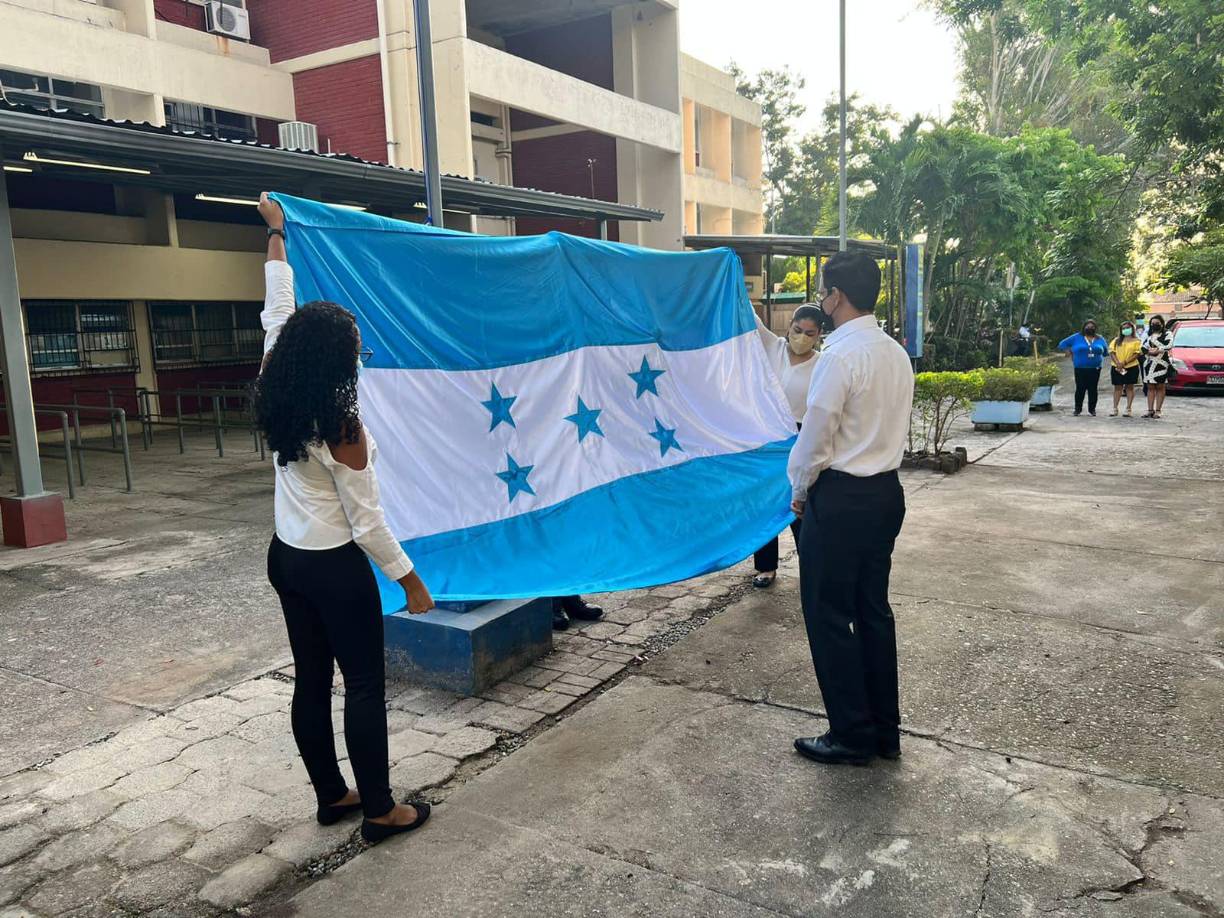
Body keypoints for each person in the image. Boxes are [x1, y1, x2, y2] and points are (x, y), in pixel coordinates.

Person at [254, 193, 433, 845]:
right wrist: (409, 580)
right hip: (334, 568)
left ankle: (334, 796)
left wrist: (278, 235)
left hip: (287, 560)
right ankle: (381, 810)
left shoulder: (278, 375)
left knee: (310, 678)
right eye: (354, 345)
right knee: (361, 683)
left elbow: (278, 304)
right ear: (335, 361)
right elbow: (368, 525)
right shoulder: (342, 427)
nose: (360, 351)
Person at [786, 252, 914, 766]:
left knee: (829, 615)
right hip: (885, 494)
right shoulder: (893, 352)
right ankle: (884, 730)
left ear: (835, 296)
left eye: (823, 291)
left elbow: (816, 437)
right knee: (872, 611)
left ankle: (850, 734)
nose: (821, 299)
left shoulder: (838, 357)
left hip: (840, 499)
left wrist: (799, 490)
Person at [750, 305, 823, 589]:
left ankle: (812, 568)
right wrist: (729, 266)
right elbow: (751, 319)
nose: (801, 337)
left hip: (802, 435)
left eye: (809, 333)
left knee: (800, 504)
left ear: (818, 335)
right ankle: (766, 567)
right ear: (788, 326)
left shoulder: (822, 364)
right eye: (797, 330)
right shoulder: (774, 347)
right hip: (768, 435)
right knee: (767, 503)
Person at [1058, 320, 1109, 416]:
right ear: (1084, 327)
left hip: (1095, 368)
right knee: (1080, 388)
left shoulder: (1100, 338)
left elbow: (1105, 352)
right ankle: (1078, 409)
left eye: (1092, 327)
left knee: (1093, 389)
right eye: (1088, 326)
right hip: (1080, 368)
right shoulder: (1077, 337)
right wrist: (1069, 351)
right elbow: (1062, 344)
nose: (1090, 328)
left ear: (1095, 328)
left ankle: (1092, 409)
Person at [1107, 319, 1142, 417]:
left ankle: (1128, 408)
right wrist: (1118, 363)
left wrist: (1125, 362)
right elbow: (1112, 352)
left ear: (1132, 329)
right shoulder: (1116, 340)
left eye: (1128, 328)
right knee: (1117, 387)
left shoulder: (1137, 341)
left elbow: (1137, 354)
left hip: (1131, 367)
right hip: (1117, 367)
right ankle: (1115, 408)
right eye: (1124, 328)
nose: (1126, 330)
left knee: (1129, 387)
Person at [1142, 315, 1173, 419]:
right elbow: (1142, 346)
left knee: (1160, 386)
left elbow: (1169, 345)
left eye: (1156, 323)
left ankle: (1158, 410)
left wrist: (1158, 349)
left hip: (1162, 363)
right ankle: (1150, 410)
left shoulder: (1167, 333)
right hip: (1149, 363)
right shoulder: (1148, 334)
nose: (1154, 325)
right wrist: (1149, 351)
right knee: (1150, 387)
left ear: (1161, 323)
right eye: (1152, 323)